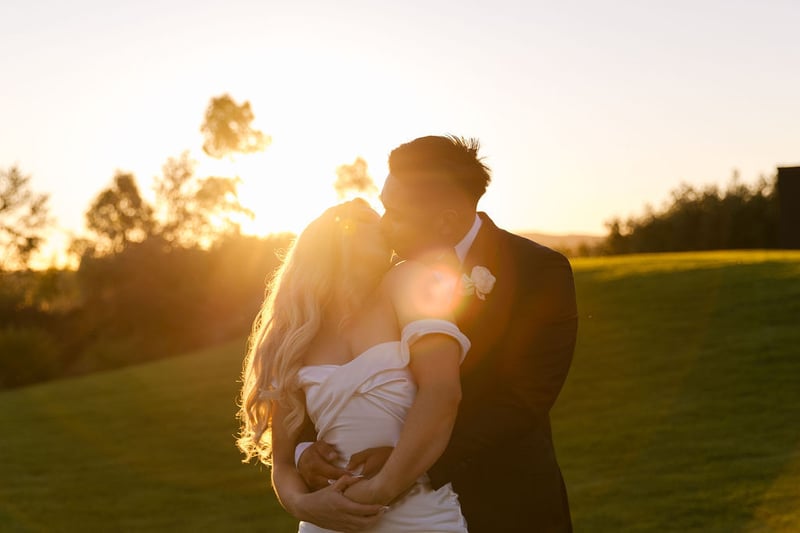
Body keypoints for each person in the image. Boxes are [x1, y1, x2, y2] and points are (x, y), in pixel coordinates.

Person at [297, 136, 579, 531]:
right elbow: (337, 364)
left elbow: (523, 398)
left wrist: (405, 462)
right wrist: (305, 448)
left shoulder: (538, 271)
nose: (383, 224)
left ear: (445, 220)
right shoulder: (380, 272)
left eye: (394, 213)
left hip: (505, 501)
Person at [237, 197, 473, 532]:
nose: (384, 224)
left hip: (418, 516)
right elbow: (284, 464)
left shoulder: (408, 281)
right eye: (368, 219)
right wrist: (306, 505)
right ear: (335, 238)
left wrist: (380, 489)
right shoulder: (297, 333)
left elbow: (442, 391)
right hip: (331, 520)